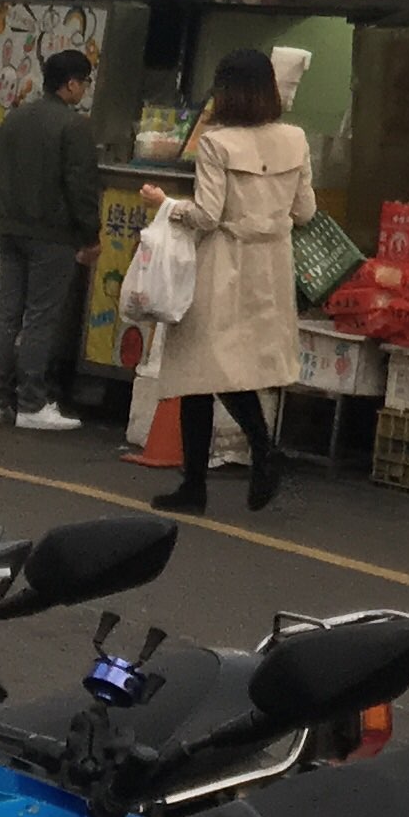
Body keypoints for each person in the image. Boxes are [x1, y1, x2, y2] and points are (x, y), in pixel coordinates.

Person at [140, 49, 314, 515]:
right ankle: (254, 455)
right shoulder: (295, 139)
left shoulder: (217, 143)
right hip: (272, 264)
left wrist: (164, 203)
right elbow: (306, 212)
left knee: (202, 367)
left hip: (222, 262)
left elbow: (207, 215)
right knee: (238, 366)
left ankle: (211, 477)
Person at [0, 52, 101, 433]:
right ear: (71, 84)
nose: (84, 89)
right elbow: (80, 186)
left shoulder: (14, 118)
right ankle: (32, 402)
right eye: (84, 82)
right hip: (53, 235)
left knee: (8, 313)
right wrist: (90, 235)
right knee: (40, 318)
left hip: (10, 228)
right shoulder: (73, 127)